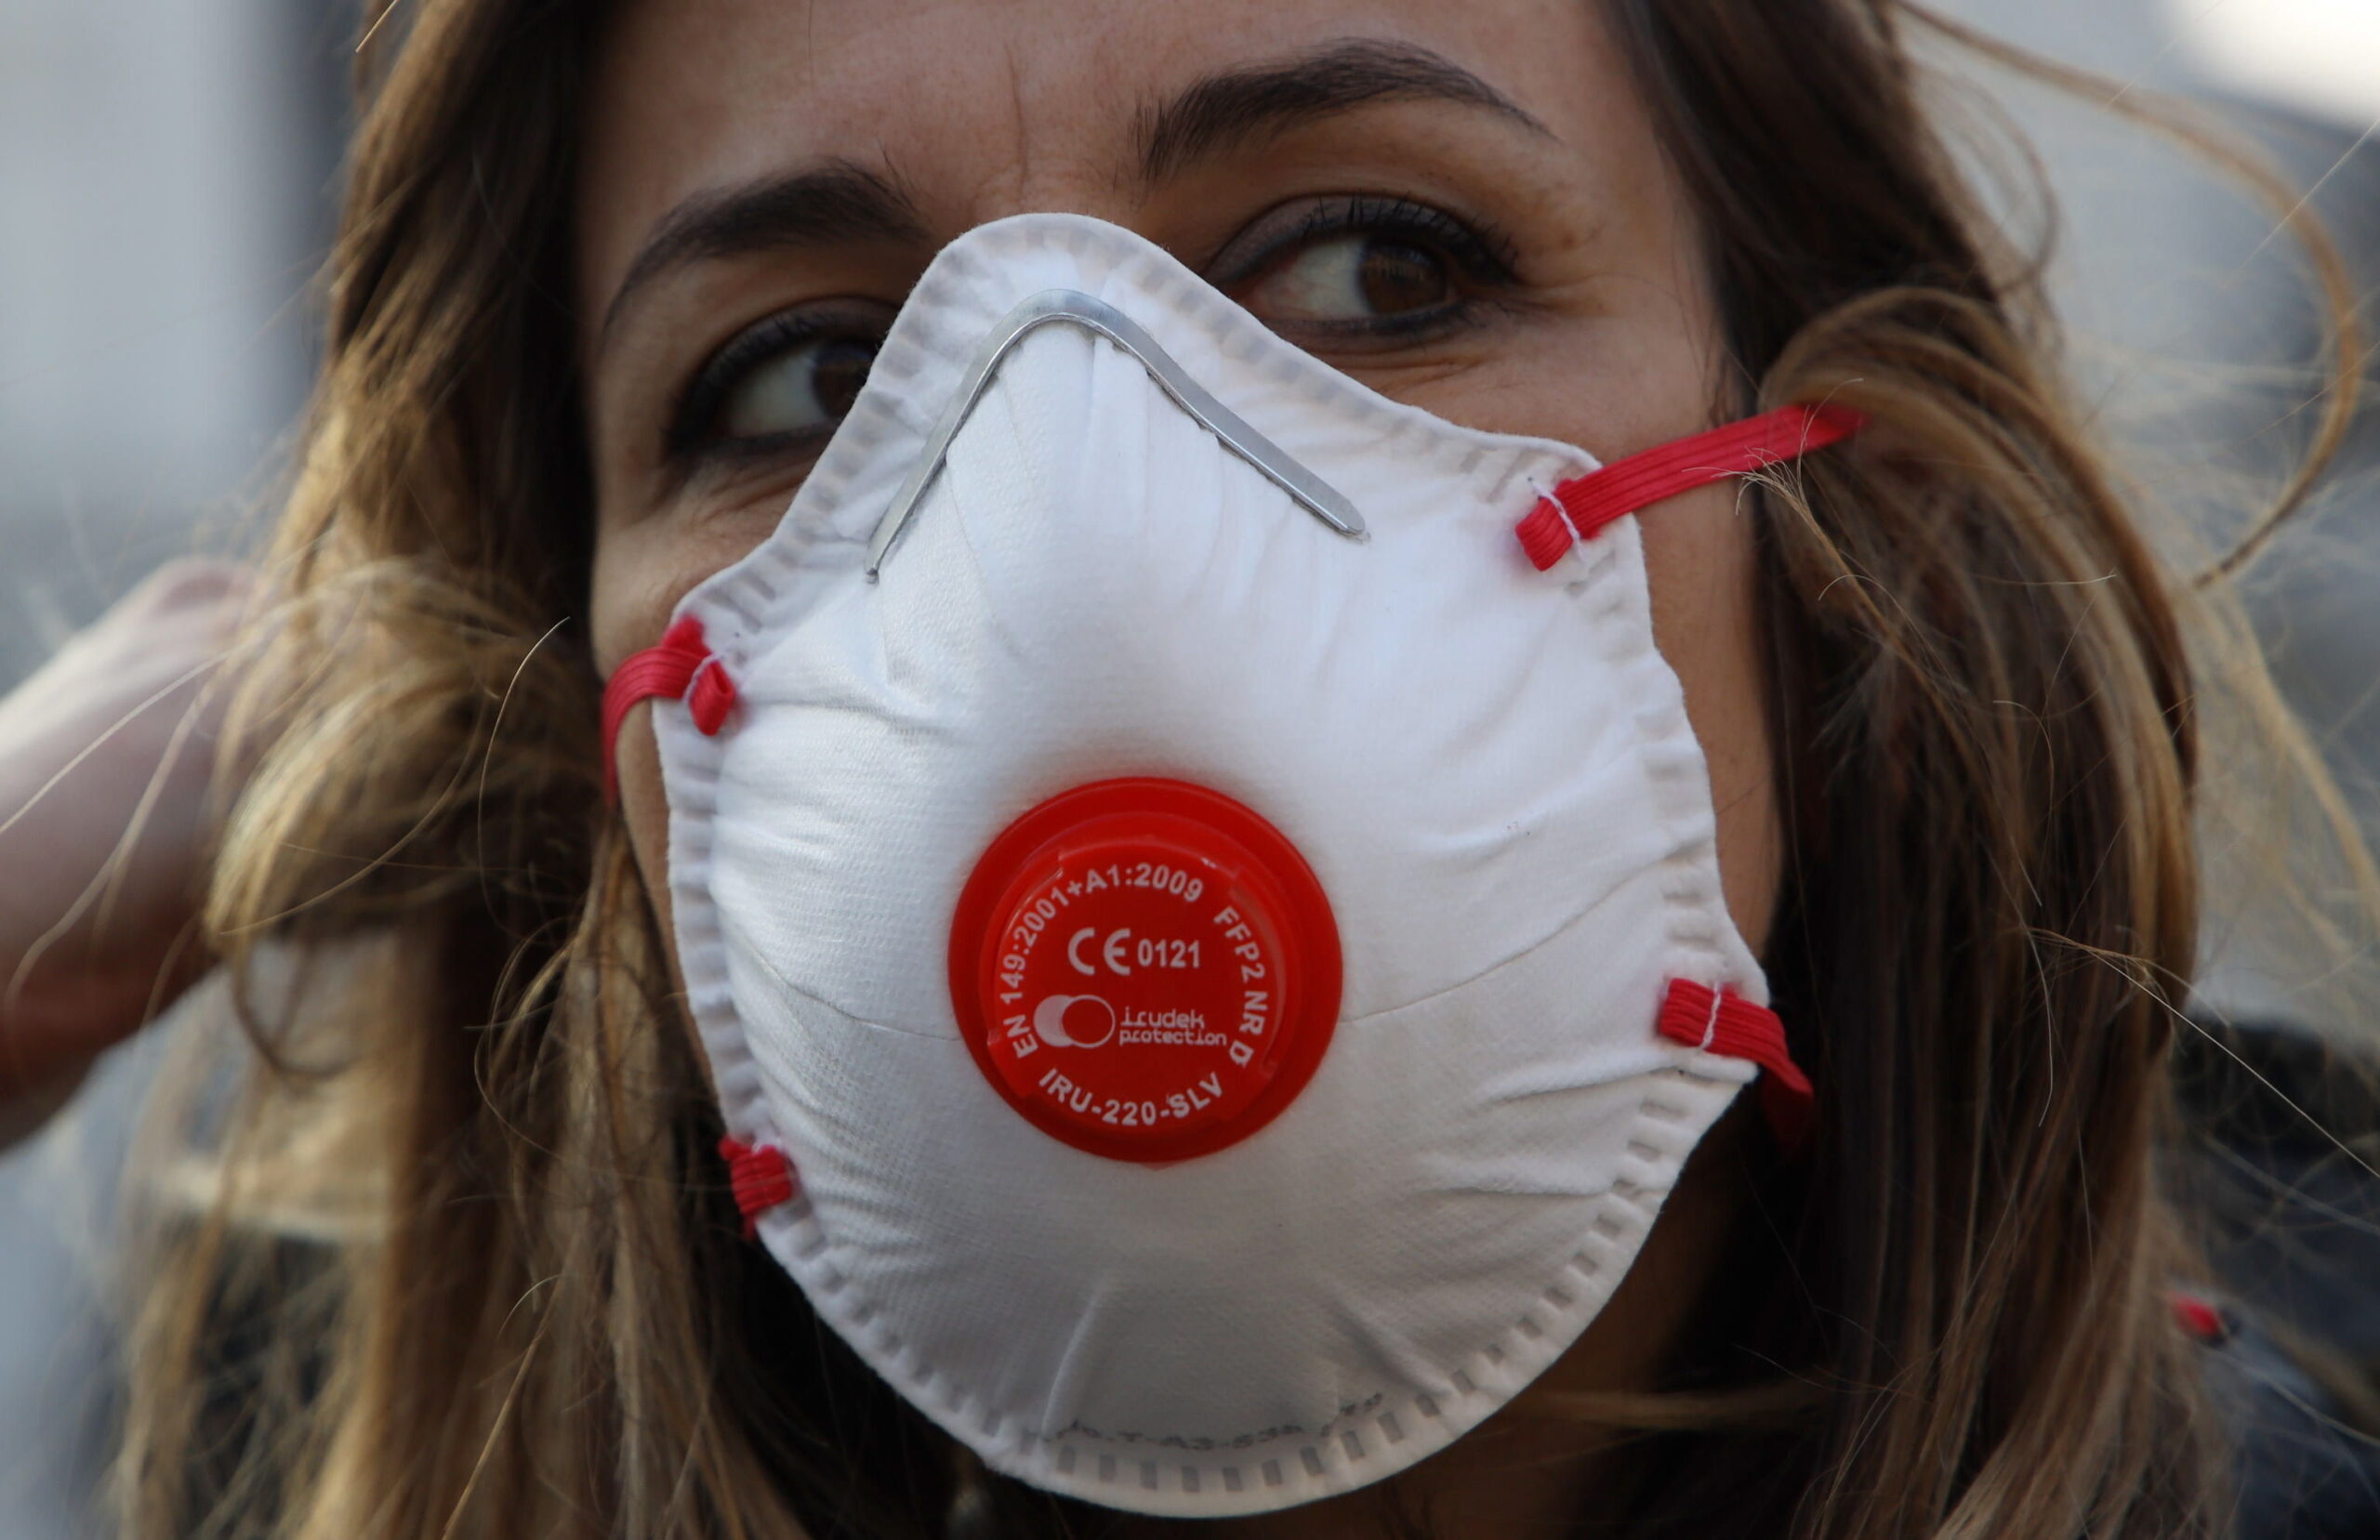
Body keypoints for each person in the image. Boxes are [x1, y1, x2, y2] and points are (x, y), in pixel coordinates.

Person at [2, 1, 2375, 1535]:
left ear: (1839, 489)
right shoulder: (260, 1446)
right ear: (578, 704)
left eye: (1378, 267)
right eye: (810, 383)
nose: (1089, 590)